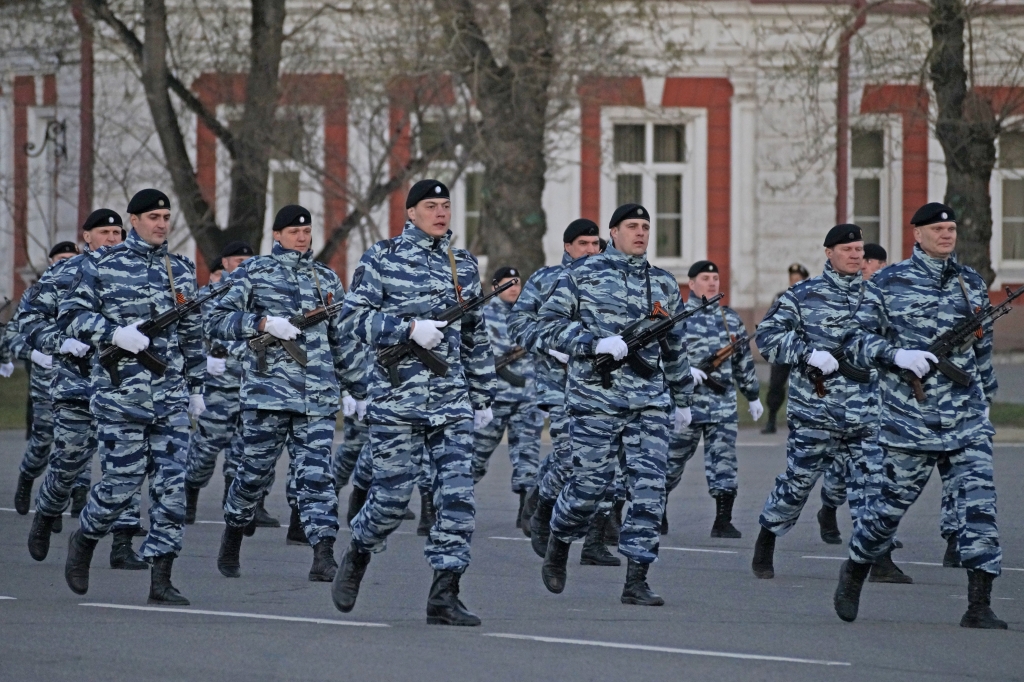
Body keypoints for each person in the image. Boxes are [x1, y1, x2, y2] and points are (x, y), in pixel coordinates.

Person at [331, 179, 495, 626]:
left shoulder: (463, 265)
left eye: (446, 205)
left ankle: (444, 594)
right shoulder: (381, 257)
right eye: (431, 206)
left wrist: (483, 394)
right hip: (397, 400)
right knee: (390, 497)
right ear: (411, 213)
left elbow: (475, 335)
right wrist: (407, 330)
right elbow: (351, 319)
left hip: (451, 401)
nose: (441, 213)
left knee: (458, 499)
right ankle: (359, 552)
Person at [835, 203, 1006, 629]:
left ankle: (979, 605)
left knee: (980, 510)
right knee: (888, 511)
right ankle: (856, 566)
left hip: (966, 420)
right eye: (937, 229)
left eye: (951, 228)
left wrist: (986, 396)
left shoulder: (970, 283)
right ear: (917, 234)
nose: (947, 235)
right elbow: (853, 341)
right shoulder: (888, 283)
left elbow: (982, 347)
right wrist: (897, 355)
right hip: (911, 419)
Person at [534, 203, 694, 606]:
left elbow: (674, 345)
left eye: (645, 226)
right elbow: (548, 327)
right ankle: (559, 543)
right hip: (595, 399)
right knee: (589, 486)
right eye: (632, 226)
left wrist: (682, 399)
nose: (640, 233)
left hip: (649, 401)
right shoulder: (580, 276)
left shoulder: (663, 284)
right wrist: (593, 343)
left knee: (649, 490)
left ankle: (636, 578)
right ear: (613, 232)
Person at [60, 189, 205, 605]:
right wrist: (113, 332)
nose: (162, 223)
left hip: (170, 396)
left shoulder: (180, 269)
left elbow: (191, 332)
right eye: (153, 216)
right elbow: (72, 316)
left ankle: (161, 577)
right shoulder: (101, 264)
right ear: (134, 220)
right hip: (120, 395)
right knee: (122, 483)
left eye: (166, 216)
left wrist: (196, 386)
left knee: (171, 488)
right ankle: (86, 538)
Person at [752, 224, 907, 584]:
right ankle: (767, 538)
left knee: (872, 486)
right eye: (848, 249)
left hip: (866, 414)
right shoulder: (802, 296)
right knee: (798, 483)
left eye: (859, 250)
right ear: (828, 253)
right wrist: (807, 353)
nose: (855, 255)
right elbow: (767, 337)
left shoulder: (876, 297)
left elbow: (891, 346)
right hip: (815, 414)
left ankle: (878, 558)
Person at [210, 205, 349, 583]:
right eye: (293, 231)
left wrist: (357, 389)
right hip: (267, 394)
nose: (302, 237)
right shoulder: (253, 273)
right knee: (253, 474)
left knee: (318, 477)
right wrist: (261, 322)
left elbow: (342, 340)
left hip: (317, 397)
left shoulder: (326, 280)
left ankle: (323, 554)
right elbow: (216, 319)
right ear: (276, 235)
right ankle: (234, 532)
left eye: (306, 230)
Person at [20, 211, 146, 568]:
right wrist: (59, 343)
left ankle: (122, 544)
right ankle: (46, 512)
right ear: (85, 237)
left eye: (117, 232)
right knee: (68, 462)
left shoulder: (137, 273)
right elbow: (30, 320)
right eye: (103, 232)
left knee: (126, 466)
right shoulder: (64, 273)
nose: (111, 238)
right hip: (78, 385)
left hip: (124, 386)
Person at [509, 219, 612, 567]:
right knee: (570, 455)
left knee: (605, 460)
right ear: (567, 247)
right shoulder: (546, 279)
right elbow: (519, 326)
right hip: (560, 385)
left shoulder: (610, 280)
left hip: (603, 387)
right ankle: (542, 508)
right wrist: (552, 347)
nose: (591, 250)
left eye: (596, 244)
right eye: (583, 243)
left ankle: (595, 540)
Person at [184, 241, 281, 529]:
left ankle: (245, 507)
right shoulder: (206, 298)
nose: (242, 265)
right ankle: (189, 500)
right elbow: (188, 338)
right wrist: (204, 361)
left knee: (250, 450)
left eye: (247, 260)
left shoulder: (262, 296)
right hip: (219, 388)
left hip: (254, 385)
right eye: (237, 260)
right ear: (224, 263)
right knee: (205, 448)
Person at [664, 260, 761, 538]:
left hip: (722, 406)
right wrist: (685, 372)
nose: (711, 283)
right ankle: (657, 513)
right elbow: (662, 356)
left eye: (715, 278)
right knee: (671, 460)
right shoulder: (676, 318)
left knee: (724, 463)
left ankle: (722, 521)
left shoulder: (729, 318)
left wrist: (753, 395)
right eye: (705, 278)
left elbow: (743, 361)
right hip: (686, 405)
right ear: (691, 284)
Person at [8, 243, 77, 521]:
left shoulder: (86, 293)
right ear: (50, 261)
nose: (67, 264)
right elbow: (13, 337)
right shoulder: (37, 293)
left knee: (75, 443)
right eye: (62, 259)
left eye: (72, 260)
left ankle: (63, 502)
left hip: (76, 383)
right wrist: (33, 353)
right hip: (46, 384)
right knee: (43, 440)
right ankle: (27, 476)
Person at [472, 266, 542, 527]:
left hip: (527, 400)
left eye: (517, 283)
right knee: (475, 458)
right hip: (493, 401)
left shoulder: (529, 316)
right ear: (494, 288)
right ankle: (445, 505)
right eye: (507, 283)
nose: (514, 287)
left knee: (527, 456)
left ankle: (526, 512)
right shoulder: (482, 317)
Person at [761, 263, 809, 434]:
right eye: (792, 279)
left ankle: (803, 422)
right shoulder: (781, 297)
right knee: (775, 385)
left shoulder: (810, 298)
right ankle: (771, 419)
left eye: (798, 279)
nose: (794, 281)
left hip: (802, 350)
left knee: (804, 386)